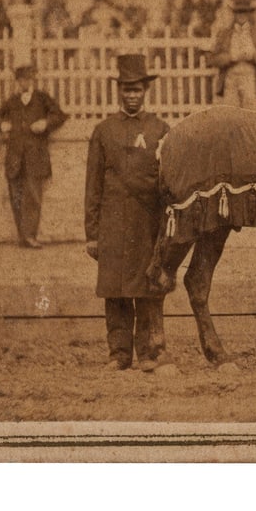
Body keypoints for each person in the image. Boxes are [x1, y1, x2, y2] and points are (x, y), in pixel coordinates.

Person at [84, 54, 172, 372]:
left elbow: (167, 185)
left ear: (145, 91)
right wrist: (92, 234)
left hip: (147, 224)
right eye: (126, 89)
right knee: (116, 290)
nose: (131, 95)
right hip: (112, 225)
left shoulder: (160, 130)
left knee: (147, 289)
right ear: (119, 91)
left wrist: (165, 232)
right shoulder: (104, 131)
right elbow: (92, 185)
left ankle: (147, 353)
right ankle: (119, 353)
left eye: (136, 90)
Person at [0, 64, 67, 248]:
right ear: (17, 82)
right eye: (21, 79)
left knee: (33, 196)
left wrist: (45, 123)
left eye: (28, 79)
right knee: (16, 195)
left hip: (35, 157)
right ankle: (23, 236)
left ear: (33, 80)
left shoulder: (42, 99)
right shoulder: (13, 101)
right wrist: (2, 125)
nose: (25, 82)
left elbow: (60, 115)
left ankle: (30, 235)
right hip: (15, 157)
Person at [210, 0, 256, 111]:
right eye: (238, 13)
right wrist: (230, 57)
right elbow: (213, 59)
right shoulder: (224, 34)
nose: (241, 16)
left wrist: (253, 55)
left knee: (251, 117)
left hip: (251, 80)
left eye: (244, 13)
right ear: (234, 14)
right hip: (230, 81)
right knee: (231, 118)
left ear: (249, 14)